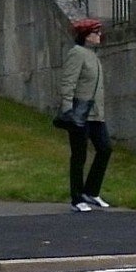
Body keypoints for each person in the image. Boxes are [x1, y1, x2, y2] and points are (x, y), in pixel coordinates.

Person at [57, 17, 110, 211]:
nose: (99, 36)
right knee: (79, 156)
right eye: (96, 33)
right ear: (86, 36)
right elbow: (68, 82)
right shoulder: (77, 53)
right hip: (79, 114)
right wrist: (67, 110)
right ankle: (77, 198)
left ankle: (91, 191)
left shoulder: (93, 55)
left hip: (96, 114)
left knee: (105, 149)